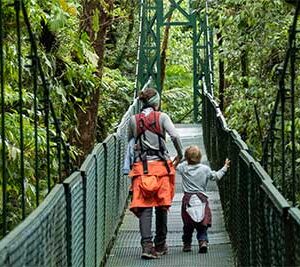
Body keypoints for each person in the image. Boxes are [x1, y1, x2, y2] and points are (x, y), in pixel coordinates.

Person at [127, 87, 183, 259]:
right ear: (157, 102)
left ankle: (146, 246)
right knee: (161, 205)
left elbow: (131, 141)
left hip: (142, 168)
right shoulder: (162, 117)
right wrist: (180, 154)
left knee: (144, 205)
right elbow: (175, 136)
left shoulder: (133, 120)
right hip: (161, 168)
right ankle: (160, 244)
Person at [175, 145, 230, 253]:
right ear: (200, 157)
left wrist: (180, 158)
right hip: (201, 198)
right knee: (202, 223)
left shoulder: (183, 168)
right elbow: (216, 176)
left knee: (188, 223)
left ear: (186, 158)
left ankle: (187, 244)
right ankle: (203, 241)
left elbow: (173, 167)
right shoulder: (205, 169)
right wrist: (225, 167)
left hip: (187, 199)